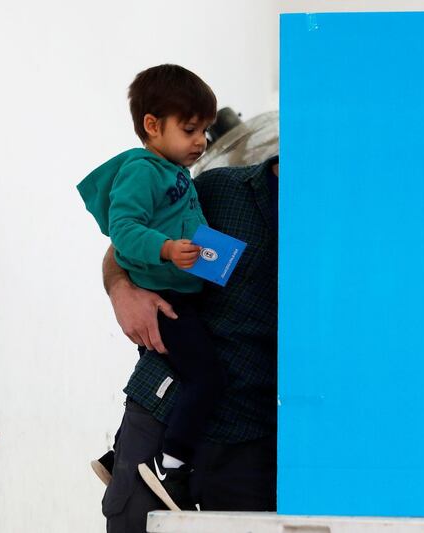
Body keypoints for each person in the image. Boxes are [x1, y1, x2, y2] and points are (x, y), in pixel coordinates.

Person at [102, 155, 278, 531]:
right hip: (164, 401)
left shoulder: (345, 220)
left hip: (251, 432)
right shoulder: (221, 189)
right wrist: (121, 290)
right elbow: (125, 244)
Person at [77, 64, 225, 511]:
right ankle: (169, 465)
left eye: (206, 130)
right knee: (206, 378)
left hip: (184, 292)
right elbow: (122, 230)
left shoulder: (174, 170)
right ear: (152, 125)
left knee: (172, 376)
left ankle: (118, 455)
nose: (201, 141)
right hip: (168, 300)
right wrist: (165, 250)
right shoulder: (143, 172)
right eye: (190, 129)